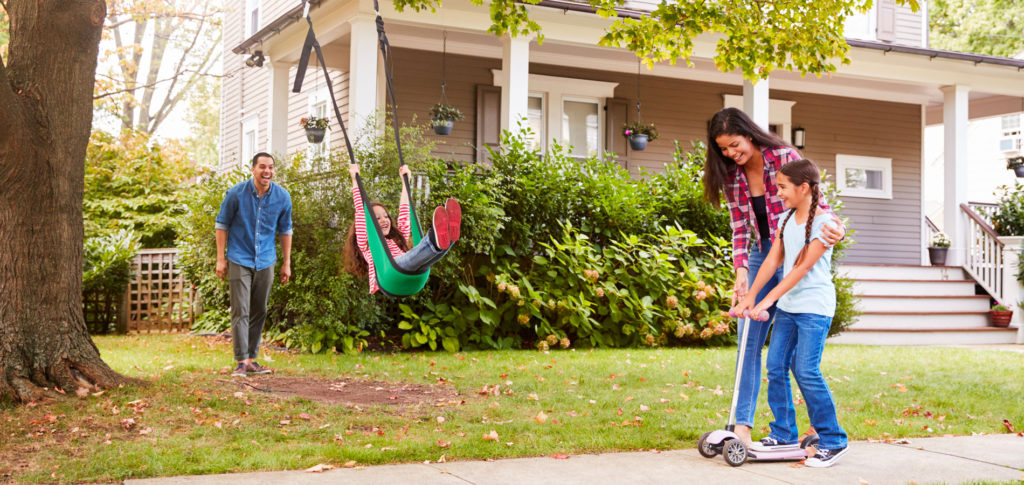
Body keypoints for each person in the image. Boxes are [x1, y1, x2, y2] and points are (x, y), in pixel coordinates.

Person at [703, 107, 844, 445]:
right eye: (723, 149)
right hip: (761, 254)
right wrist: (741, 270)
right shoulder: (730, 174)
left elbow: (813, 201)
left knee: (798, 359)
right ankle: (742, 426)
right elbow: (740, 226)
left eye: (735, 145)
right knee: (749, 341)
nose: (730, 153)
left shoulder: (783, 156)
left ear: (749, 135)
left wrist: (834, 227)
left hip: (795, 247)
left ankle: (818, 429)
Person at [731, 159, 849, 468]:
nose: (778, 192)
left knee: (806, 370)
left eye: (783, 187)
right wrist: (750, 298)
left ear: (804, 188)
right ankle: (783, 433)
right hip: (789, 308)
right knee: (776, 366)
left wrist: (766, 302)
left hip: (814, 309)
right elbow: (772, 261)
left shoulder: (826, 224)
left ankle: (834, 440)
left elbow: (801, 268)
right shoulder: (784, 220)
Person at [215, 152, 293, 378]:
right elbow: (222, 224)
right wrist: (221, 258)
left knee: (259, 309)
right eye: (262, 167)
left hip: (266, 259)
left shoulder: (282, 197)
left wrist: (286, 263)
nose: (267, 171)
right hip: (240, 257)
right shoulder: (236, 194)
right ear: (253, 169)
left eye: (270, 167)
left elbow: (285, 230)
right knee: (241, 309)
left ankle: (251, 359)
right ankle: (241, 361)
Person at [343, 164, 460, 293]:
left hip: (415, 277)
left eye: (386, 216)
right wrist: (355, 180)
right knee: (410, 257)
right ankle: (433, 238)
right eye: (377, 219)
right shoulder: (366, 243)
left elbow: (404, 215)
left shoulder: (397, 240)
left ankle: (449, 238)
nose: (384, 220)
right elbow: (360, 211)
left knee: (427, 259)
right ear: (368, 225)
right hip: (390, 276)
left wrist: (406, 182)